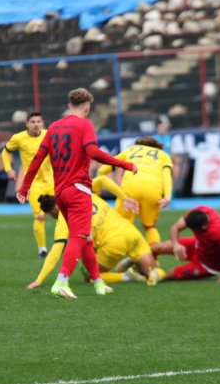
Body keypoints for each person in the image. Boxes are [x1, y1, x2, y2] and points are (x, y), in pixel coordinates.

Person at [17, 88, 137, 299]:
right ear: (87, 107)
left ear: (68, 106)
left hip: (60, 191)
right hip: (78, 189)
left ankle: (98, 283)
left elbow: (37, 158)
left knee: (87, 240)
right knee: (79, 236)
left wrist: (24, 188)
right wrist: (123, 164)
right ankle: (62, 281)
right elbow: (92, 152)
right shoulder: (84, 124)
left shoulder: (53, 127)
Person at [29, 176, 164, 289]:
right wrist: (123, 197)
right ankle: (150, 270)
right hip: (130, 231)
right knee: (155, 272)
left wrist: (39, 280)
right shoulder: (82, 191)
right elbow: (102, 180)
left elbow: (55, 253)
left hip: (113, 244)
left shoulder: (63, 219)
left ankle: (127, 276)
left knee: (91, 277)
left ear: (50, 212)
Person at [97, 136, 173, 244]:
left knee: (119, 224)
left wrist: (97, 189)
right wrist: (167, 196)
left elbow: (102, 169)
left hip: (130, 189)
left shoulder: (131, 149)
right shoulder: (164, 155)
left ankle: (109, 254)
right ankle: (154, 259)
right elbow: (166, 175)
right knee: (150, 227)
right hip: (152, 189)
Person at [1, 111, 54, 257]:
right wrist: (8, 169)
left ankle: (63, 241)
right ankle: (42, 249)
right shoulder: (19, 138)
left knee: (63, 214)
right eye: (33, 122)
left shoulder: (49, 134)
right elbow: (5, 152)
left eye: (38, 121)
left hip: (52, 182)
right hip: (34, 185)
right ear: (27, 124)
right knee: (40, 216)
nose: (36, 124)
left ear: (42, 123)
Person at [151, 206, 220, 282]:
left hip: (208, 264)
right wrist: (176, 245)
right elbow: (175, 228)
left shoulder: (219, 232)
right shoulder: (199, 211)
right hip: (198, 245)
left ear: (203, 227)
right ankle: (141, 268)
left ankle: (148, 274)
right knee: (155, 248)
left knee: (169, 274)